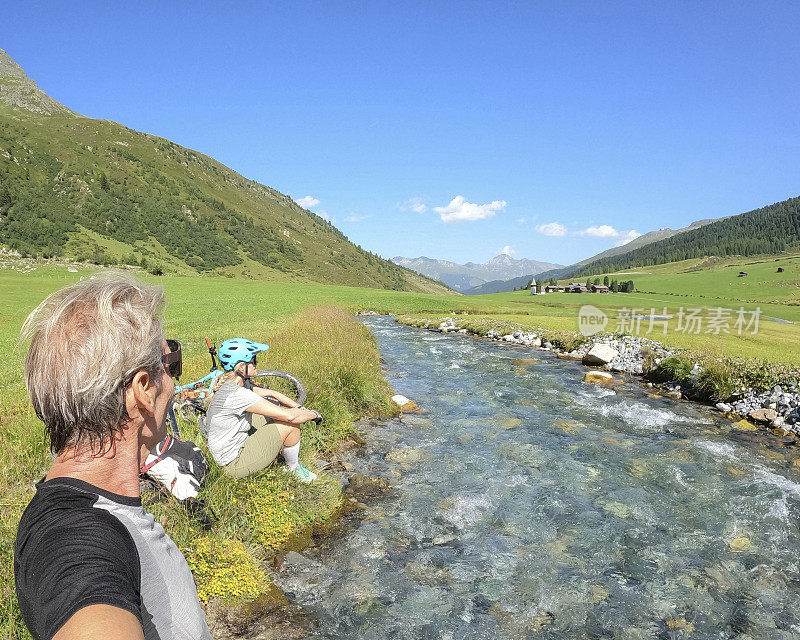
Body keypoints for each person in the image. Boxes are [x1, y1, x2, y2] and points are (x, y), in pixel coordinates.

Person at [14, 274, 211, 640]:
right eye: (170, 366)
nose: (173, 382)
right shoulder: (78, 534)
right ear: (142, 390)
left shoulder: (66, 506)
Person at [205, 337, 320, 481]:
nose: (256, 363)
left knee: (267, 415)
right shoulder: (238, 394)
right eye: (253, 360)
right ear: (241, 367)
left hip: (224, 454)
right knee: (289, 424)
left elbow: (270, 393)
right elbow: (291, 417)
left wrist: (298, 407)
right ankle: (294, 469)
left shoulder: (229, 386)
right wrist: (313, 414)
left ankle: (278, 450)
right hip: (232, 465)